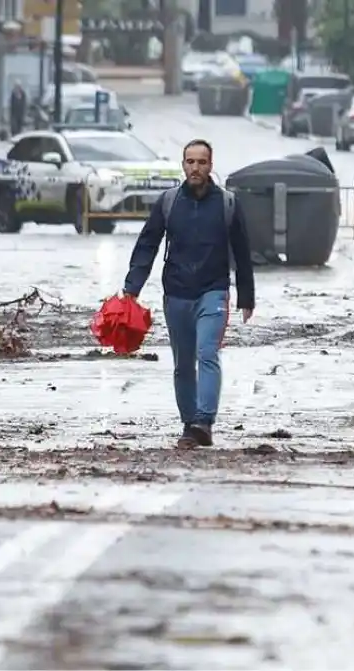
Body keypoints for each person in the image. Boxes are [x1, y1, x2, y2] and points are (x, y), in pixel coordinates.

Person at [122, 139, 255, 449]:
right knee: (183, 364)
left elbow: (243, 253)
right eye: (190, 162)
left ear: (211, 166)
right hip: (177, 294)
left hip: (214, 292)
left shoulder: (227, 204)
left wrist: (246, 296)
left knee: (207, 353)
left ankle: (204, 421)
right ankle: (189, 423)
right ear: (183, 165)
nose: (196, 168)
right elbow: (147, 244)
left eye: (202, 162)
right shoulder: (169, 203)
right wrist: (132, 288)